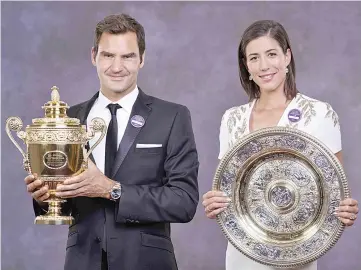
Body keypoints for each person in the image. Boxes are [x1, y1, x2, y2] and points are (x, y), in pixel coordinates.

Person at [24, 13, 199, 270]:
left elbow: (183, 202)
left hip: (147, 262)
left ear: (142, 59)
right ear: (94, 56)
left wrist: (111, 189)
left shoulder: (172, 116)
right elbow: (66, 200)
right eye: (108, 55)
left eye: (127, 56)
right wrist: (44, 196)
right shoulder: (69, 119)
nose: (117, 67)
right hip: (82, 261)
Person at [202, 20, 358, 270]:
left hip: (296, 253)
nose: (264, 66)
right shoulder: (232, 119)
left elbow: (335, 190)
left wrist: (345, 210)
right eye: (254, 58)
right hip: (244, 250)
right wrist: (215, 202)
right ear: (246, 66)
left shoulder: (319, 114)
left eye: (271, 54)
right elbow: (227, 187)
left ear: (287, 57)